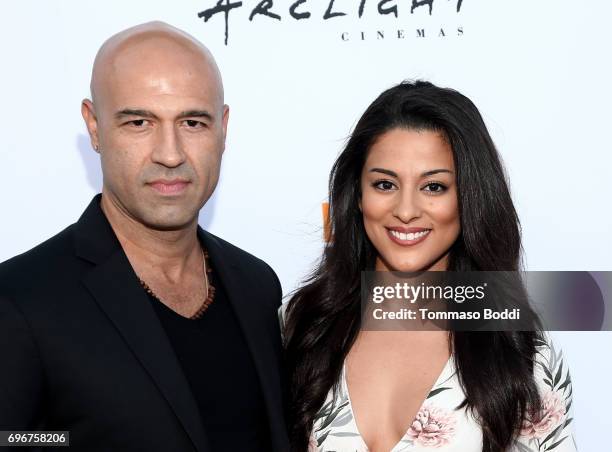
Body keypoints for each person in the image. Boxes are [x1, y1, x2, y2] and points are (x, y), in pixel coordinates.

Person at [0, 22, 288, 452]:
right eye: (139, 122)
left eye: (192, 122)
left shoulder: (256, 284)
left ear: (223, 128)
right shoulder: (20, 299)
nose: (170, 154)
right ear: (94, 127)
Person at [282, 81, 576, 452]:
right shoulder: (301, 325)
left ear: (469, 196)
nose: (405, 211)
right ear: (357, 195)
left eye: (434, 187)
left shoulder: (518, 348)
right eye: (385, 184)